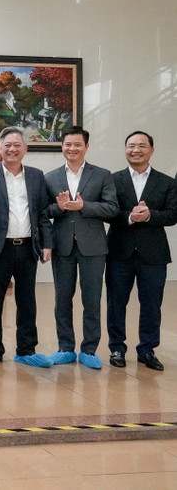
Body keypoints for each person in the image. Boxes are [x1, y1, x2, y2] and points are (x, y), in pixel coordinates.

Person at [0, 126, 53, 368]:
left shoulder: (36, 175)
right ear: (0, 148)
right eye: (7, 145)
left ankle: (26, 349)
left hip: (28, 247)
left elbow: (42, 213)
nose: (12, 149)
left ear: (25, 149)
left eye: (17, 145)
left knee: (27, 300)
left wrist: (47, 243)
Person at [44, 126, 118, 369]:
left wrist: (85, 206)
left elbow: (112, 209)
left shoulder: (102, 175)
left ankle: (89, 350)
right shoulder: (51, 177)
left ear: (87, 147)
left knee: (92, 299)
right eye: (67, 144)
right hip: (62, 246)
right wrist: (62, 207)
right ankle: (65, 347)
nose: (72, 149)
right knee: (62, 299)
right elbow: (44, 212)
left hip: (94, 247)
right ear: (62, 146)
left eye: (77, 144)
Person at [106, 131, 177, 371]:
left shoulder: (167, 182)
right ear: (125, 149)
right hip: (119, 252)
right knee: (116, 303)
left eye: (141, 146)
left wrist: (150, 215)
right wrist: (128, 216)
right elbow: (107, 211)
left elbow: (173, 214)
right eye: (131, 146)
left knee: (151, 304)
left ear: (152, 150)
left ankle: (147, 350)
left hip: (153, 255)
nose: (136, 150)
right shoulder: (112, 180)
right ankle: (117, 348)